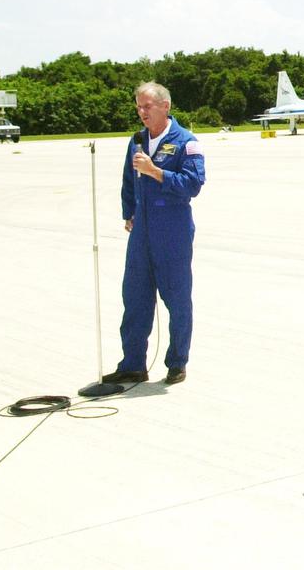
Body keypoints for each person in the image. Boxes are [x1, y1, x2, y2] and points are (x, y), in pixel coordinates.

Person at [101, 82, 205, 386]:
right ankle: (133, 364)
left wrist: (156, 172)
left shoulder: (186, 142)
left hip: (172, 231)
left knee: (177, 297)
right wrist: (129, 213)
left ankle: (177, 362)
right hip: (142, 232)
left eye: (147, 106)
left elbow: (193, 184)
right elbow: (128, 182)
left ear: (165, 107)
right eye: (138, 107)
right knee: (134, 298)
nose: (142, 112)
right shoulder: (136, 141)